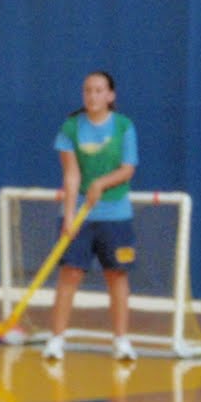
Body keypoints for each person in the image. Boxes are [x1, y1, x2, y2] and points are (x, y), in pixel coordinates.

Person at [43, 70, 137, 364]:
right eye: (88, 90)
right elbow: (71, 175)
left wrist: (100, 184)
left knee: (116, 275)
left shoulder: (124, 126)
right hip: (80, 213)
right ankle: (56, 340)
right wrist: (70, 215)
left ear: (110, 95)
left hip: (115, 213)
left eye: (98, 90)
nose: (92, 96)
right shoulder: (71, 128)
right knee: (70, 273)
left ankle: (121, 341)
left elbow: (127, 169)